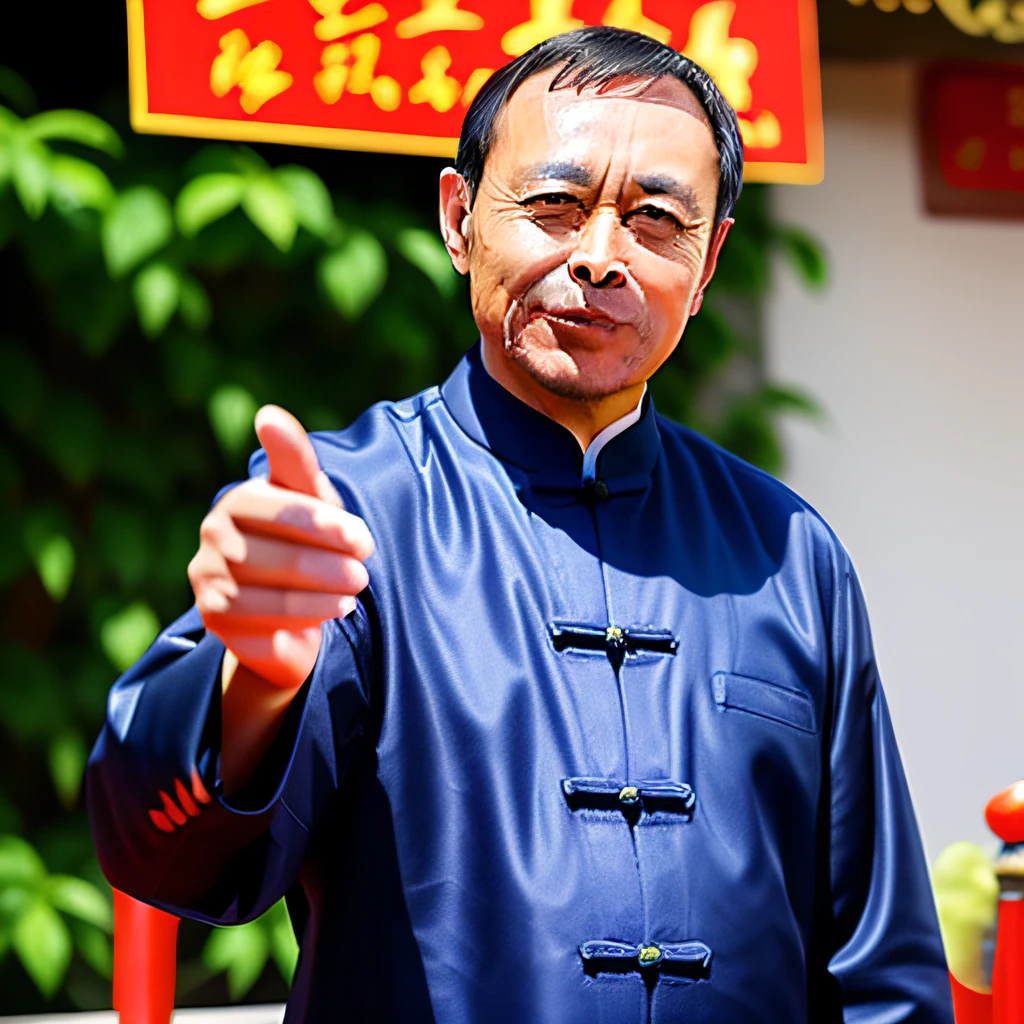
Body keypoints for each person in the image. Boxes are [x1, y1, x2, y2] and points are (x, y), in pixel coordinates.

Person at [88, 27, 954, 1023]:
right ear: (459, 220)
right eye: (552, 205)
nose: (597, 257)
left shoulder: (788, 554)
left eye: (656, 220)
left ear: (710, 261)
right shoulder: (347, 507)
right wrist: (255, 683)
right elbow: (162, 850)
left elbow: (881, 973)